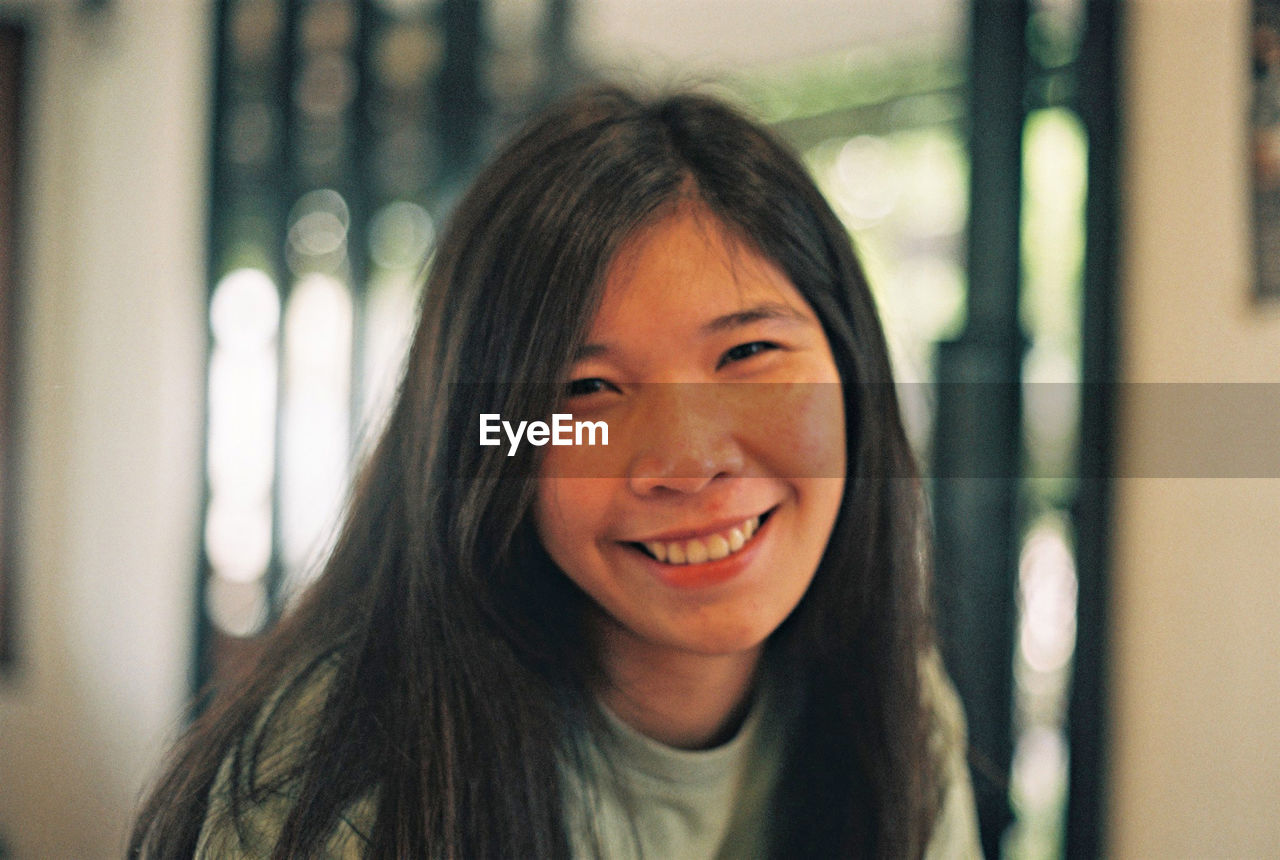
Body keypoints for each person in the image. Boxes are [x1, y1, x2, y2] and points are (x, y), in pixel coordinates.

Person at [130, 86, 980, 859]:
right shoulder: (343, 785)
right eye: (585, 391)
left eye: (749, 352)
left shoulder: (894, 710)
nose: (687, 464)